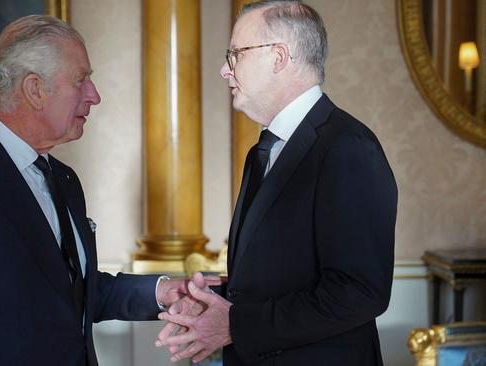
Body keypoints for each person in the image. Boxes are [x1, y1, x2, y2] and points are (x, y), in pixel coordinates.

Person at [0, 15, 193, 366]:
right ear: (35, 89)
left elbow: (71, 291)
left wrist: (162, 292)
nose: (95, 96)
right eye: (81, 80)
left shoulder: (64, 180)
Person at [156, 1, 398, 365]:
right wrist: (215, 298)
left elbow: (359, 292)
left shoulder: (347, 147)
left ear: (279, 57)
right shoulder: (263, 151)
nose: (225, 70)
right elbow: (280, 274)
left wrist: (235, 324)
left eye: (235, 54)